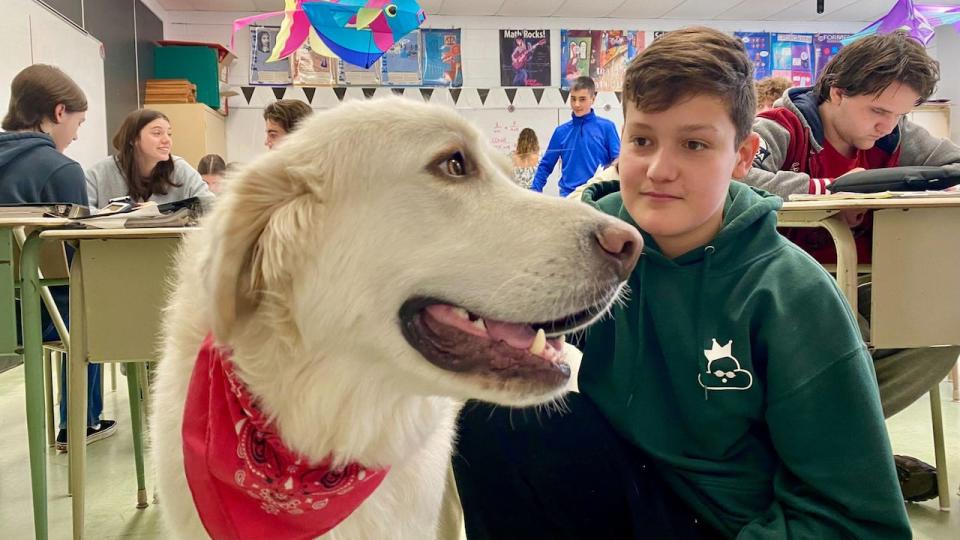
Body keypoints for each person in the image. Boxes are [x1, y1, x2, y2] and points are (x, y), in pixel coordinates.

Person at [454, 27, 910, 539]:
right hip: (630, 489)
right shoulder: (597, 247)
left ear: (743, 156)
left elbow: (860, 521)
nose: (659, 169)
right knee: (498, 420)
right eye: (643, 140)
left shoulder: (790, 295)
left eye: (695, 144)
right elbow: (485, 320)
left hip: (734, 524)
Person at [745, 32, 960, 489]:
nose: (888, 125)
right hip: (777, 295)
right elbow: (736, 177)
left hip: (856, 285)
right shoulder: (780, 126)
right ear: (836, 91)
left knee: (947, 316)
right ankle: (844, 456)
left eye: (901, 113)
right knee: (846, 329)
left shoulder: (898, 135)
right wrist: (832, 189)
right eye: (878, 110)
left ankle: (816, 449)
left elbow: (955, 165)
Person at [0, 64, 116, 452]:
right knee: (90, 304)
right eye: (78, 122)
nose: (77, 133)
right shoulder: (61, 170)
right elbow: (78, 258)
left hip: (6, 317)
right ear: (59, 112)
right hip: (41, 319)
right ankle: (80, 423)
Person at [85, 109, 213, 208]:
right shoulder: (99, 173)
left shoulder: (181, 169)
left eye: (169, 134)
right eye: (157, 133)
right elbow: (81, 213)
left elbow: (211, 208)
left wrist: (164, 211)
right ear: (132, 139)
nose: (167, 140)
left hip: (169, 242)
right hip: (110, 242)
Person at [531, 76, 620, 197]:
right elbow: (546, 166)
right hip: (569, 197)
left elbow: (618, 161)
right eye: (573, 99)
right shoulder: (560, 132)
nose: (577, 104)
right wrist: (534, 191)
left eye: (582, 99)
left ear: (593, 99)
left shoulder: (607, 128)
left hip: (598, 196)